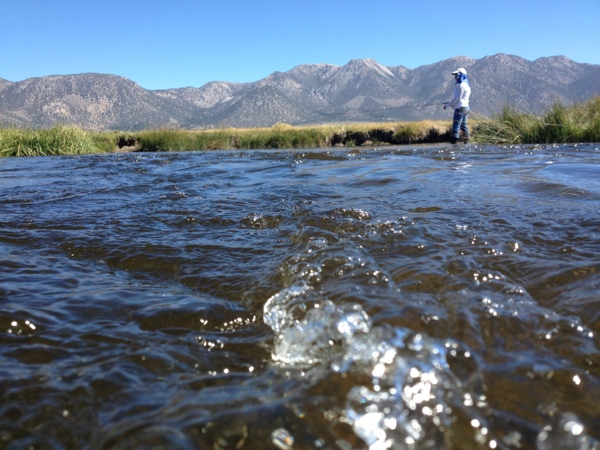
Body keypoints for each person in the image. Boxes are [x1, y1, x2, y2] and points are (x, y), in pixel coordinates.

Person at [444, 68, 471, 144]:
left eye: (456, 75)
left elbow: (457, 99)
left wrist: (447, 105)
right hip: (466, 107)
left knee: (456, 125)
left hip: (460, 108)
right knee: (464, 125)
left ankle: (454, 141)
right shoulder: (467, 85)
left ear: (460, 75)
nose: (454, 77)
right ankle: (467, 140)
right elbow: (461, 98)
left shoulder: (460, 85)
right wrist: (449, 103)